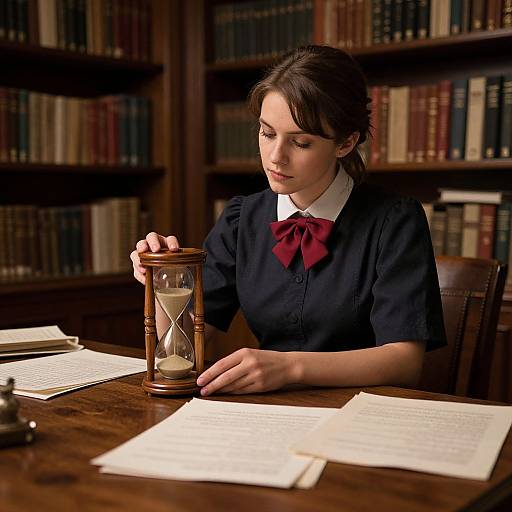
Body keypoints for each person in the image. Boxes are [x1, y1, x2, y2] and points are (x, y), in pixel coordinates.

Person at [131, 45, 446, 397]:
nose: (275, 157)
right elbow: (183, 342)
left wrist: (290, 366)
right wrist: (162, 279)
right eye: (267, 133)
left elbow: (404, 362)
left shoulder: (395, 221)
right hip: (269, 414)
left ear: (345, 142)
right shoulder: (241, 219)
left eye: (300, 142)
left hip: (365, 414)